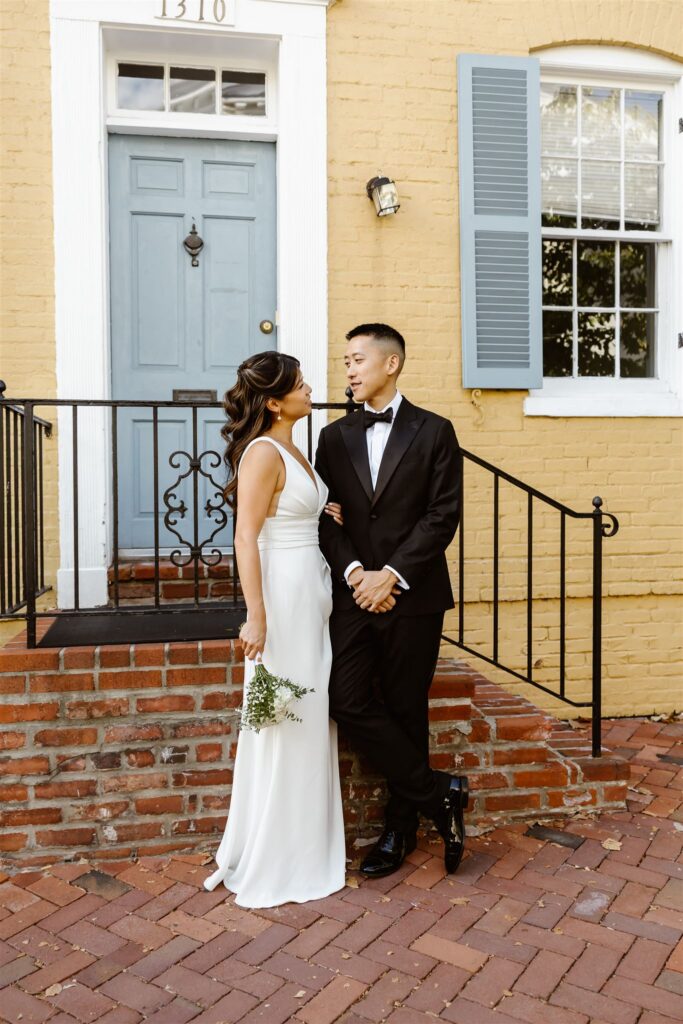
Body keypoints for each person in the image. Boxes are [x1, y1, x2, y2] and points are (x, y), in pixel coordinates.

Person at [315, 323, 468, 878]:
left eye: (356, 360)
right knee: (345, 697)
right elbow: (324, 518)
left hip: (415, 596)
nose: (349, 370)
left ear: (391, 364)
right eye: (345, 361)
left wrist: (393, 575)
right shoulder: (332, 438)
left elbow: (442, 515)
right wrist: (358, 573)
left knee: (407, 710)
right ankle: (439, 794)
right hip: (354, 594)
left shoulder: (435, 431)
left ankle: (399, 831)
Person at [203, 351, 346, 907]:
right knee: (282, 715)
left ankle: (305, 845)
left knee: (307, 714)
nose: (311, 390)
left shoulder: (293, 449)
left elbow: (295, 511)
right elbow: (246, 537)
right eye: (300, 385)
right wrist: (255, 615)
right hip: (281, 598)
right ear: (273, 401)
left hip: (310, 592)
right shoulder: (263, 451)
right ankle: (280, 855)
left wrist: (323, 512)